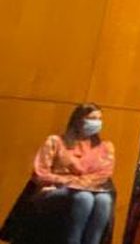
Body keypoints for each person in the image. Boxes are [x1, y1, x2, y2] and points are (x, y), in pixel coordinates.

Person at [1, 103, 116, 244]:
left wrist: (78, 183)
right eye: (92, 118)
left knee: (104, 200)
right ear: (78, 120)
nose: (97, 122)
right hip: (55, 189)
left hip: (90, 189)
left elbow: (104, 174)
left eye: (99, 119)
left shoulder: (105, 147)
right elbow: (40, 173)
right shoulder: (56, 141)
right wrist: (68, 182)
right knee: (84, 198)